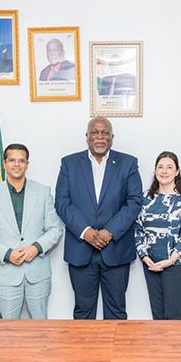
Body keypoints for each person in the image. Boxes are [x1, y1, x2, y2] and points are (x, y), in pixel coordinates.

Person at [55, 117, 143, 320]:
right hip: (81, 250)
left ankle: (117, 353)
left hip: (116, 250)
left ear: (112, 138)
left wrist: (109, 232)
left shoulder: (128, 163)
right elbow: (62, 202)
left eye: (105, 133)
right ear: (87, 137)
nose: (100, 137)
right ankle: (85, 353)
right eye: (95, 132)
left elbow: (134, 202)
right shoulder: (69, 163)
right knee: (83, 312)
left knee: (116, 312)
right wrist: (86, 232)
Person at [0, 144, 64, 319]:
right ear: (4, 164)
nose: (17, 164)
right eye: (12, 160)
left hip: (37, 274)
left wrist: (35, 248)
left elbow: (55, 229)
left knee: (41, 330)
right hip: (6, 274)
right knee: (7, 333)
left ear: (27, 164)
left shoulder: (43, 192)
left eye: (21, 160)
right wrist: (7, 253)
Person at [134, 151, 181, 320]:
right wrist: (144, 256)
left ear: (177, 172)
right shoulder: (145, 199)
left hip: (176, 264)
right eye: (160, 167)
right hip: (151, 264)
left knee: (173, 318)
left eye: (169, 167)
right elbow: (137, 230)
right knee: (157, 316)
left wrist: (171, 260)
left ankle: (174, 347)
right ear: (155, 171)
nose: (164, 171)